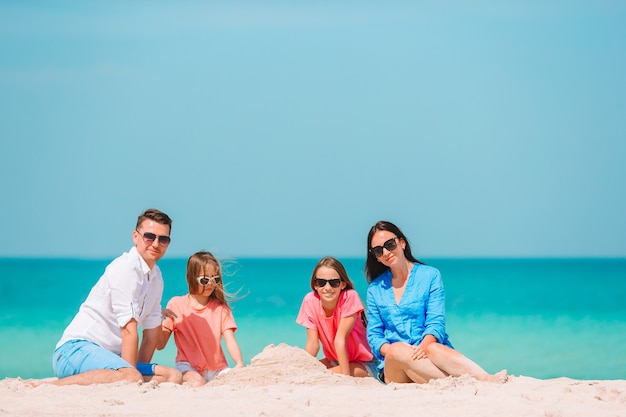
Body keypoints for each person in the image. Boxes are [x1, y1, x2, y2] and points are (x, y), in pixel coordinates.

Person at [50, 209, 182, 386]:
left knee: (172, 376)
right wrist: (131, 376)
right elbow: (129, 330)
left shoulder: (156, 277)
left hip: (111, 359)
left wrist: (135, 373)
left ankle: (125, 376)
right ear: (135, 237)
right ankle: (49, 386)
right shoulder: (125, 269)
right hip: (75, 350)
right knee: (131, 376)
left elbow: (150, 337)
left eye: (163, 239)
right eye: (149, 236)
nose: (156, 244)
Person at [365, 220, 508, 384]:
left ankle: (485, 378)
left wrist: (422, 348)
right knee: (397, 349)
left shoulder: (430, 276)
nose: (385, 252)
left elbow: (436, 322)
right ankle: (469, 383)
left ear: (402, 243)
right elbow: (374, 336)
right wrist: (397, 351)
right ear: (375, 256)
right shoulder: (375, 289)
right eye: (378, 250)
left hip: (428, 356)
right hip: (395, 367)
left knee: (433, 347)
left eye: (390, 244)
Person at [157, 251, 244, 386]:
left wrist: (239, 363)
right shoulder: (176, 304)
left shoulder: (221, 308)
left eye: (215, 279)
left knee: (237, 382)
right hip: (187, 366)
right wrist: (155, 317)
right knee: (198, 382)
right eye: (204, 280)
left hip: (217, 369)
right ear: (190, 277)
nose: (210, 284)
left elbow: (230, 340)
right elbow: (160, 344)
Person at [296, 256, 378, 378]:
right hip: (334, 360)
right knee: (304, 373)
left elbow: (340, 339)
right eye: (321, 283)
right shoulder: (310, 301)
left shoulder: (350, 297)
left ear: (343, 284)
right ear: (315, 285)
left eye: (334, 283)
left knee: (321, 375)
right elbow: (313, 344)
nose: (327, 288)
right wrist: (303, 367)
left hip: (365, 363)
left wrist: (345, 377)